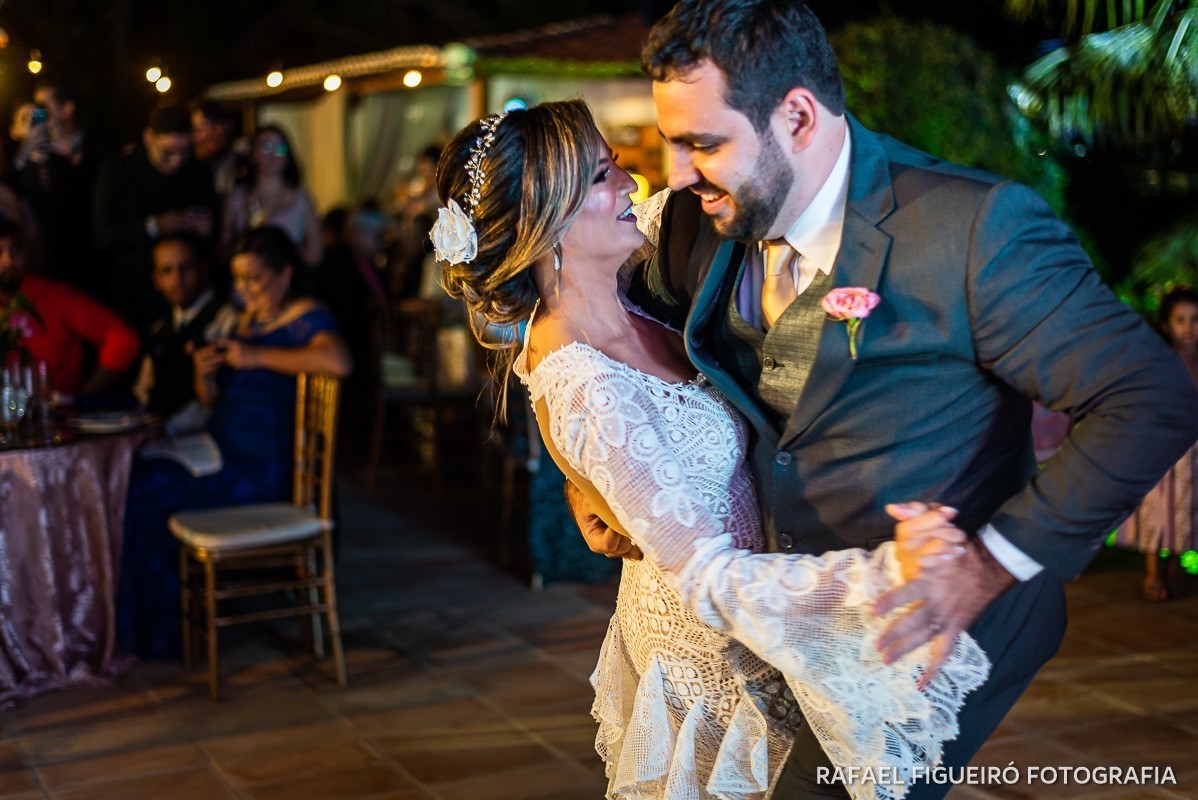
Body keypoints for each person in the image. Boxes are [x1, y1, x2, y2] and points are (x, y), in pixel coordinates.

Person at [565, 1, 1198, 797]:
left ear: (797, 117)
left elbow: (1148, 398)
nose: (680, 173)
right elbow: (575, 321)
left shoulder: (973, 231)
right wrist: (582, 475)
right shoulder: (695, 223)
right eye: (673, 141)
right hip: (776, 609)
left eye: (704, 143)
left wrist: (986, 565)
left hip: (928, 620)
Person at [434, 100, 989, 800]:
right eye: (603, 175)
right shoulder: (582, 385)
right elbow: (712, 577)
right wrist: (888, 577)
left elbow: (720, 179)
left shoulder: (627, 276)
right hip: (718, 668)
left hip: (762, 629)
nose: (633, 183)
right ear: (542, 226)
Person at [118, 225, 351, 660]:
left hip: (266, 468)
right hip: (223, 451)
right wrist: (204, 375)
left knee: (153, 490)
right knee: (141, 473)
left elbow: (338, 360)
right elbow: (215, 399)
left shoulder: (305, 315)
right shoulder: (247, 321)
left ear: (284, 274)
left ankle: (167, 636)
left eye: (254, 278)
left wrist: (257, 356)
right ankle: (158, 626)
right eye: (239, 280)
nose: (245, 290)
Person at [94, 105, 216, 332]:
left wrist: (207, 230)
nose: (177, 161)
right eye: (168, 152)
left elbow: (212, 236)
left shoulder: (199, 171)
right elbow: (104, 235)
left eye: (184, 152)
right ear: (148, 138)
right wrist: (153, 227)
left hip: (188, 292)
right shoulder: (119, 170)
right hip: (135, 288)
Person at [1116, 286, 1198, 601]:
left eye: (1195, 320)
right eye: (1180, 320)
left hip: (1192, 453)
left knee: (1185, 508)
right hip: (1161, 448)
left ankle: (1175, 567)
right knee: (1158, 507)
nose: (1188, 328)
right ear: (1166, 325)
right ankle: (1153, 571)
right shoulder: (1160, 361)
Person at [0, 217, 138, 400]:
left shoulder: (54, 296)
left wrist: (85, 396)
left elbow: (123, 339)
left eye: (15, 250)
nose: (8, 260)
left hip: (57, 411)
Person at [132, 232, 236, 431]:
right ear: (156, 279)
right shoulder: (159, 329)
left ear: (203, 268)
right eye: (167, 271)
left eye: (185, 268)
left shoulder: (228, 320)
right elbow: (143, 393)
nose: (177, 279)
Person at [11, 81, 99, 295]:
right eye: (25, 118)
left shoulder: (65, 162)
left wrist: (67, 153)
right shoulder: (18, 168)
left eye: (40, 113)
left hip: (78, 266)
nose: (35, 121)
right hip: (33, 269)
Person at [222, 125, 321, 268]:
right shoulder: (237, 197)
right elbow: (223, 250)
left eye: (280, 149)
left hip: (286, 278)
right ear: (254, 153)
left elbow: (314, 255)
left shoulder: (301, 199)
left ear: (288, 157)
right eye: (266, 147)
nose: (273, 155)